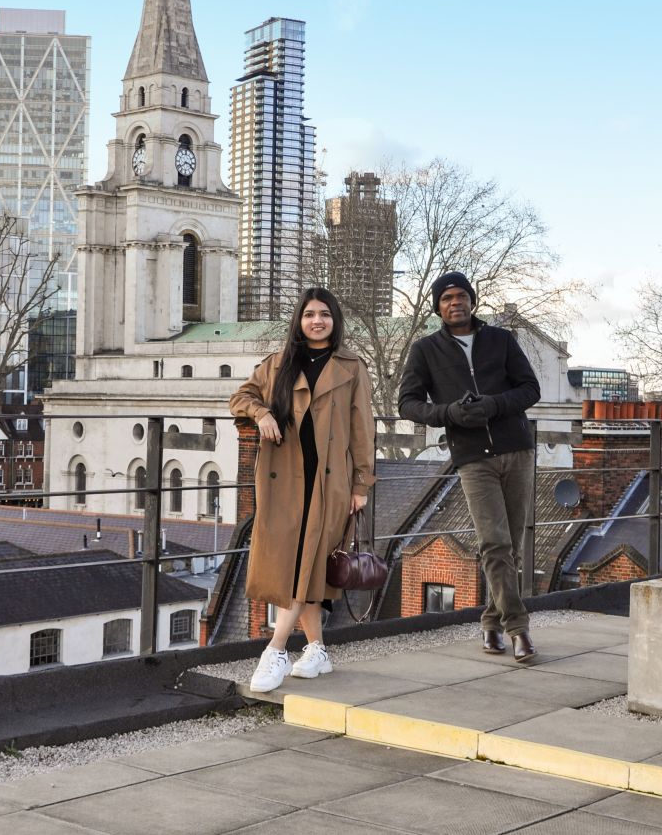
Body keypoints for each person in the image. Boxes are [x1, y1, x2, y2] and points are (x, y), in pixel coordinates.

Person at [230, 287, 377, 693]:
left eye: (325, 314)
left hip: (331, 483)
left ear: (335, 321)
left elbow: (364, 429)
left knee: (305, 561)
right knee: (294, 564)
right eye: (310, 313)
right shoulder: (278, 365)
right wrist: (261, 413)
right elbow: (239, 397)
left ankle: (275, 649)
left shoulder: (351, 367)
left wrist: (362, 483)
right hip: (284, 480)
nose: (317, 320)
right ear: (299, 319)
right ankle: (316, 649)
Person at [398, 272, 542, 662]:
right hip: (472, 457)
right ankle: (518, 629)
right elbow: (407, 404)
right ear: (437, 306)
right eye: (446, 298)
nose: (455, 302)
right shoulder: (425, 350)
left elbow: (531, 388)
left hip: (517, 449)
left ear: (472, 300)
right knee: (494, 543)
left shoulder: (501, 340)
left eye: (461, 296)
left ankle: (491, 623)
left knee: (512, 545)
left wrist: (493, 404)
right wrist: (450, 413)